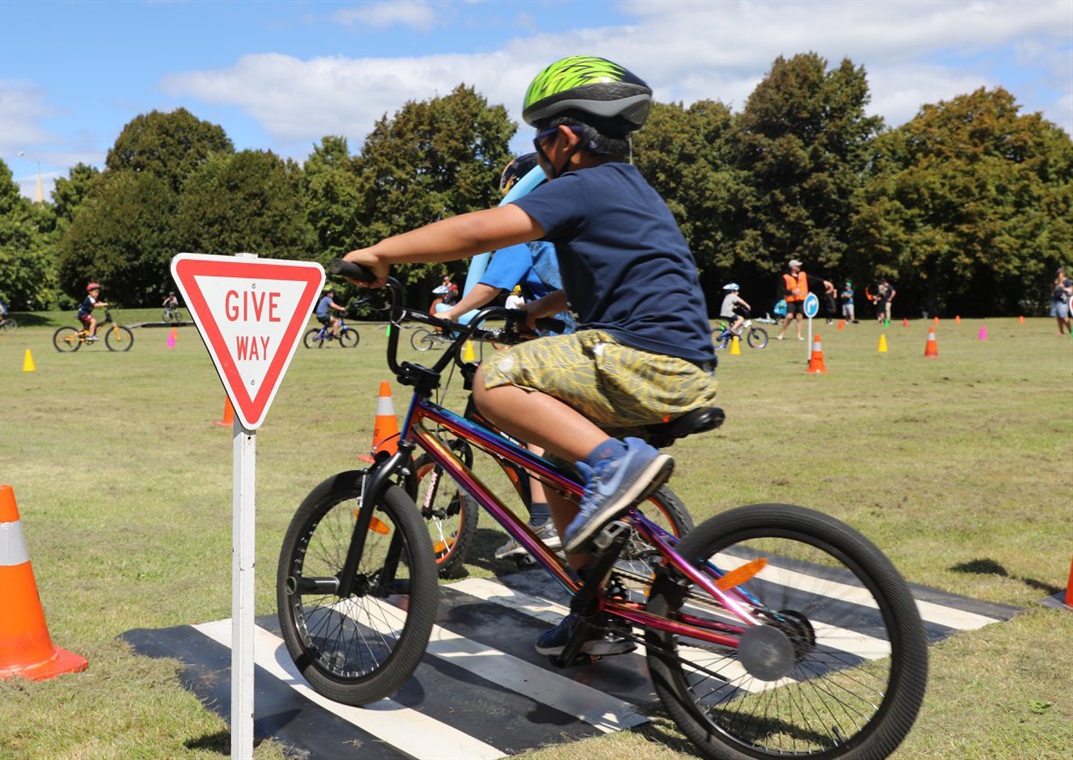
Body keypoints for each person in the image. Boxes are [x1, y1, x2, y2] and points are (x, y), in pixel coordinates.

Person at [343, 55, 718, 658]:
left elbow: (480, 232)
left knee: (493, 383)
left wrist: (382, 253)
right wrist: (535, 314)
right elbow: (606, 274)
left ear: (567, 138)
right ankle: (598, 608)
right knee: (561, 475)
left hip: (636, 356)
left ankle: (612, 465)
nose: (538, 152)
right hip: (680, 364)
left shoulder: (579, 186)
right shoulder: (631, 190)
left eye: (541, 137)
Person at [438, 153, 575, 561]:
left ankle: (541, 521)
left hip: (554, 340)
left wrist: (453, 313)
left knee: (530, 426)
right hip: (570, 333)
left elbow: (492, 285)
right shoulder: (567, 228)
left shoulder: (528, 232)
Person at [775, 260, 832, 340]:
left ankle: (799, 335)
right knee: (789, 316)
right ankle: (782, 333)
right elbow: (782, 289)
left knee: (799, 317)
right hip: (791, 299)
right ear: (793, 267)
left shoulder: (803, 275)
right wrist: (792, 292)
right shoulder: (785, 277)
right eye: (797, 265)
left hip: (801, 299)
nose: (799, 267)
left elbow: (814, 279)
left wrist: (824, 282)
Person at [1051, 267, 1072, 335]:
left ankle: (1071, 331)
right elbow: (1053, 290)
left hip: (1063, 300)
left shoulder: (1067, 281)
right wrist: (1053, 286)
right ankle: (1061, 331)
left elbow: (1071, 290)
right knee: (1059, 317)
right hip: (1056, 300)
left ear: (1063, 273)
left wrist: (1063, 288)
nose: (1058, 274)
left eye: (1060, 273)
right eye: (1058, 273)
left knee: (1064, 316)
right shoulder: (1056, 281)